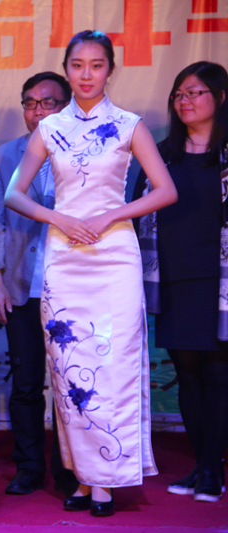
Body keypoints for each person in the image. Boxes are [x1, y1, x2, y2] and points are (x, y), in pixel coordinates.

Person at [4, 30, 177, 517]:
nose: (86, 75)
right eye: (77, 65)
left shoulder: (127, 125)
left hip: (114, 256)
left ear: (110, 71)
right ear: (67, 69)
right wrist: (57, 218)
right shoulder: (50, 127)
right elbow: (13, 194)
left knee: (114, 368)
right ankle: (83, 476)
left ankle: (106, 480)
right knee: (67, 371)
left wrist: (112, 216)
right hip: (64, 257)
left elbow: (166, 190)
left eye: (96, 65)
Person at [0, 71, 79, 497]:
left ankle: (71, 468)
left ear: (67, 106)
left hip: (74, 288)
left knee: (70, 384)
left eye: (48, 102)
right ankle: (29, 466)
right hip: (21, 286)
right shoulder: (5, 156)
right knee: (25, 383)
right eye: (30, 103)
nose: (37, 111)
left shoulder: (87, 153)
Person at [134, 61, 228, 502]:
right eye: (179, 94)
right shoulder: (161, 154)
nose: (185, 101)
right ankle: (203, 465)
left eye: (195, 92)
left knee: (218, 373)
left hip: (219, 283)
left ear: (220, 97)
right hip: (172, 278)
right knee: (187, 375)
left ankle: (211, 469)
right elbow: (137, 211)